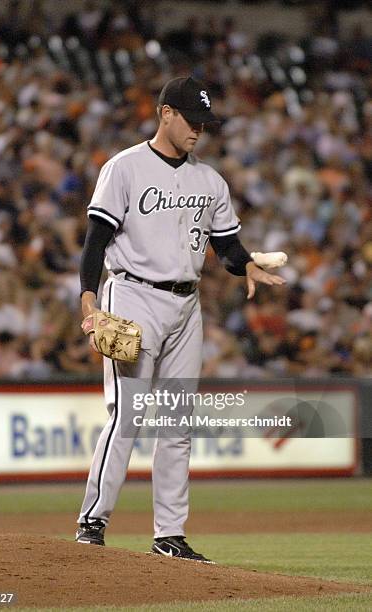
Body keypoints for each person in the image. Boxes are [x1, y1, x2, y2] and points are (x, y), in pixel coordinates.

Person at [76, 76, 285, 562]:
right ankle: (93, 521)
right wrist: (89, 299)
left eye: (205, 123)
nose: (198, 130)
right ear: (165, 113)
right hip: (131, 296)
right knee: (126, 415)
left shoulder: (209, 179)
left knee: (176, 422)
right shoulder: (124, 168)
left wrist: (247, 263)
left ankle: (169, 534)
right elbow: (96, 241)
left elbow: (226, 246)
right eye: (192, 120)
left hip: (186, 305)